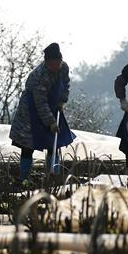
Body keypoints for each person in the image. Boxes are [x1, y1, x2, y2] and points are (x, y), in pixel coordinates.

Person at [9, 42, 75, 181]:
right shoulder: (40, 76)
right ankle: (24, 177)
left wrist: (63, 100)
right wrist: (51, 122)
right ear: (46, 63)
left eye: (56, 63)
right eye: (51, 64)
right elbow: (40, 103)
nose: (54, 67)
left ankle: (53, 175)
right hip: (31, 109)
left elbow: (66, 84)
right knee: (28, 145)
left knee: (54, 142)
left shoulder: (63, 69)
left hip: (53, 105)